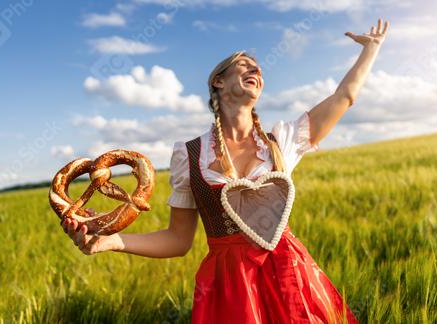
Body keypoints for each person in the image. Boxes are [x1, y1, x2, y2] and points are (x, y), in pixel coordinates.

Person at [62, 18, 389, 323]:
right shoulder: (189, 155)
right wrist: (111, 242)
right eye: (244, 65)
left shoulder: (282, 141)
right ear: (218, 81)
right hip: (230, 288)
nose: (255, 70)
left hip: (291, 277)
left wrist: (371, 48)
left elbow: (344, 96)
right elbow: (178, 241)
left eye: (259, 69)